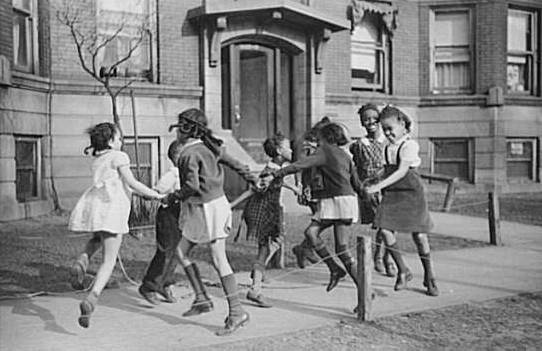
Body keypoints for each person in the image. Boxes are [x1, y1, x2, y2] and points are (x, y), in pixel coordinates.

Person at [165, 108, 258, 336]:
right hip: (216, 205)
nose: (177, 133)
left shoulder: (188, 154)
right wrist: (252, 177)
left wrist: (173, 196)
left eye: (179, 128)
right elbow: (237, 164)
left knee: (215, 258)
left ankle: (235, 312)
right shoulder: (212, 146)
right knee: (184, 251)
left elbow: (192, 187)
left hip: (204, 208)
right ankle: (202, 298)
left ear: (185, 130)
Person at [68, 122, 165, 328]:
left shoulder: (98, 159)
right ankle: (92, 298)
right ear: (111, 141)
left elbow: (119, 184)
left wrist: (143, 194)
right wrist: (156, 195)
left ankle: (82, 261)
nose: (121, 142)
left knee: (96, 239)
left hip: (97, 208)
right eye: (119, 139)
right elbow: (131, 183)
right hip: (113, 210)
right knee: (109, 260)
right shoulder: (119, 157)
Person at [266, 122, 364, 293]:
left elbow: (300, 165)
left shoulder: (324, 151)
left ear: (325, 137)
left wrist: (276, 173)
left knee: (313, 234)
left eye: (319, 137)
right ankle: (353, 282)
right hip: (346, 201)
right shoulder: (344, 154)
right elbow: (356, 183)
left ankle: (344, 275)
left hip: (335, 201)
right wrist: (367, 197)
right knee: (340, 248)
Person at [366, 105, 439, 296]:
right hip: (392, 193)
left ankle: (429, 276)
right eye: (384, 130)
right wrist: (374, 178)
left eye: (391, 128)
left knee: (420, 237)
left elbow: (401, 171)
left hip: (411, 193)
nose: (388, 133)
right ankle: (403, 270)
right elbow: (387, 169)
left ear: (403, 125)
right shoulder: (387, 147)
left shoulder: (410, 145)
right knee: (384, 231)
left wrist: (378, 187)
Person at [241, 133, 294, 308]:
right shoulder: (269, 171)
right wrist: (230, 204)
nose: (291, 149)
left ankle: (258, 270)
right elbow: (253, 190)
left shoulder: (275, 169)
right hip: (264, 213)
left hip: (271, 211)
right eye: (288, 146)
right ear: (279, 151)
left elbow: (278, 180)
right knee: (264, 250)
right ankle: (255, 289)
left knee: (277, 241)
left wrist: (293, 187)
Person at [350, 104, 397, 277]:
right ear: (362, 123)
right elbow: (355, 168)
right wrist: (361, 188)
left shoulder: (388, 142)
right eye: (366, 119)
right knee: (383, 224)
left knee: (389, 224)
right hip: (371, 189)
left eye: (373, 118)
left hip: (388, 186)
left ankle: (382, 257)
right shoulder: (358, 145)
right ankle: (383, 258)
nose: (370, 121)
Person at [138, 140, 183, 305]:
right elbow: (157, 191)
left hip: (182, 216)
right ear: (178, 157)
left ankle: (165, 284)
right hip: (168, 215)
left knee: (178, 252)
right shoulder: (172, 175)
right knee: (165, 251)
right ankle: (149, 286)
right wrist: (149, 193)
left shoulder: (188, 173)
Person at [290, 117, 330, 269]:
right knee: (322, 219)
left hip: (323, 186)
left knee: (323, 219)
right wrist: (299, 184)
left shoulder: (321, 144)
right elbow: (299, 165)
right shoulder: (307, 143)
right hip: (313, 187)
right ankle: (305, 247)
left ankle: (304, 248)